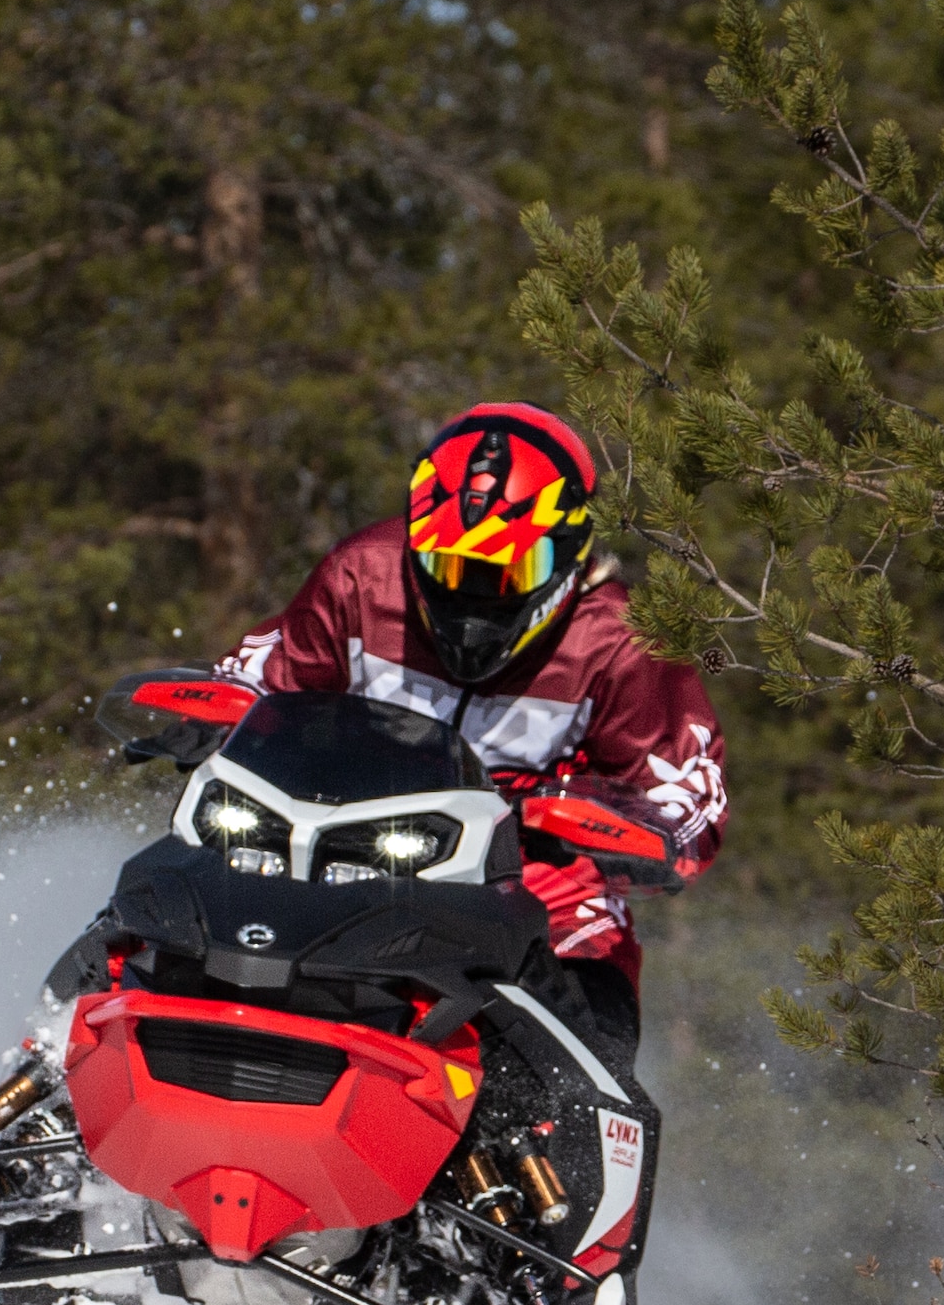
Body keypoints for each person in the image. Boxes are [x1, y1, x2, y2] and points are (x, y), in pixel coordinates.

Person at [218, 402, 726, 1060]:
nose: (472, 602)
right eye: (450, 569)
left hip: (531, 885)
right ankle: (56, 1058)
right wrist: (212, 718)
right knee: (171, 890)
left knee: (588, 1038)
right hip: (338, 855)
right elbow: (260, 679)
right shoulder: (360, 577)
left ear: (568, 556)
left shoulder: (622, 643)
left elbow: (689, 797)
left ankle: (563, 1148)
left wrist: (620, 828)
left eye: (502, 575)